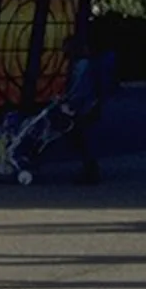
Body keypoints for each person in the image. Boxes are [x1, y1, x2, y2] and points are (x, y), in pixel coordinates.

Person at [57, 35, 102, 184]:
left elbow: (79, 88)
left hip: (84, 107)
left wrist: (68, 102)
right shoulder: (84, 64)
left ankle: (90, 172)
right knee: (84, 139)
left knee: (82, 138)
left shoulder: (80, 66)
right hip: (89, 106)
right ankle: (90, 169)